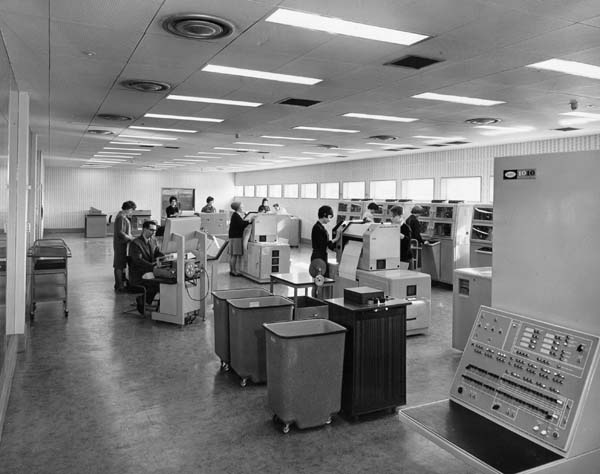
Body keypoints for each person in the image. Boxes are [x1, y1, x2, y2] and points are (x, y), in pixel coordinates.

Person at [128, 220, 164, 314]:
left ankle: (145, 300)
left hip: (149, 271)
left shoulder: (153, 240)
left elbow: (157, 253)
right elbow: (138, 261)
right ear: (144, 229)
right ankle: (142, 299)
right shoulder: (135, 243)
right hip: (139, 273)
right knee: (159, 283)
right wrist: (152, 267)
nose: (153, 232)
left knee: (164, 280)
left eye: (155, 230)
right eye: (151, 230)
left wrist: (165, 257)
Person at [310, 205, 341, 278]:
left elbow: (326, 244)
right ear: (324, 215)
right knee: (319, 280)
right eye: (329, 217)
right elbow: (323, 244)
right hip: (319, 257)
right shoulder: (318, 228)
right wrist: (336, 239)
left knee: (318, 281)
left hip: (320, 256)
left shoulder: (319, 227)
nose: (330, 220)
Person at [112, 200, 136, 292]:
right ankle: (119, 285)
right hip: (120, 244)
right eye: (131, 210)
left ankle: (120, 283)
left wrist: (130, 237)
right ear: (128, 209)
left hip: (122, 243)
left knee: (121, 264)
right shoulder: (121, 217)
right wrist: (130, 238)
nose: (132, 212)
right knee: (119, 264)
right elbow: (120, 232)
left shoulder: (122, 216)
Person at [228, 201, 253, 276]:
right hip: (236, 237)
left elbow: (241, 223)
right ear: (238, 208)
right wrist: (250, 221)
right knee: (235, 255)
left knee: (233, 255)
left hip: (233, 237)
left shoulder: (236, 215)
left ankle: (233, 270)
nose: (243, 208)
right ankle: (233, 271)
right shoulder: (236, 216)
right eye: (242, 207)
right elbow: (242, 225)